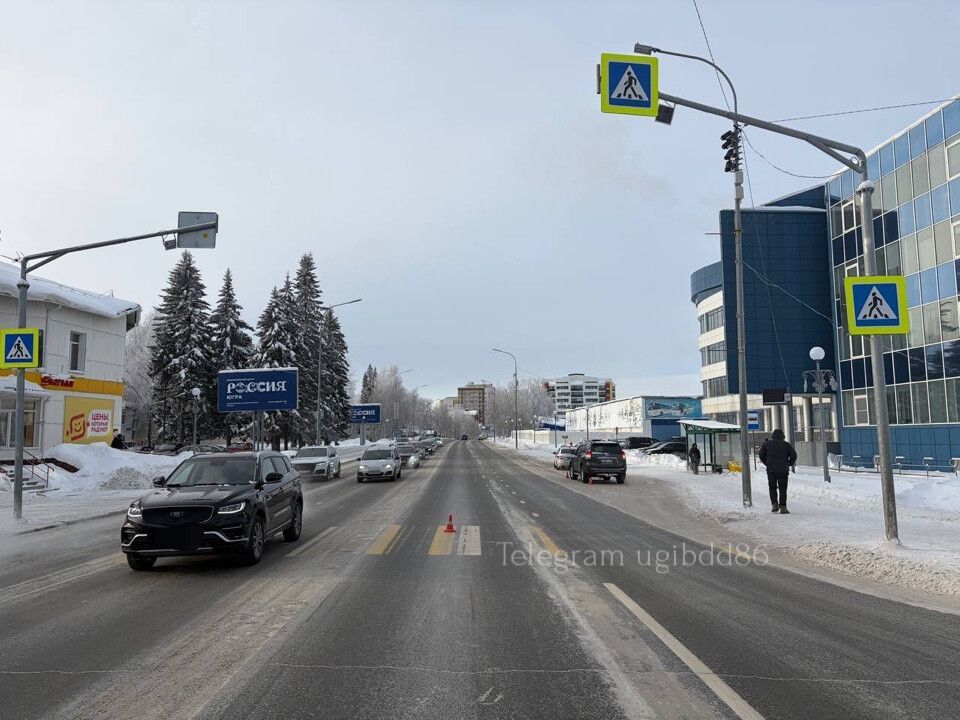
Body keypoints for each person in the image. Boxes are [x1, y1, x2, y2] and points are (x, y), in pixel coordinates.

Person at [758, 428, 797, 514]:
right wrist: (789, 463)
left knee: (772, 487)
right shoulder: (787, 445)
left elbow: (761, 455)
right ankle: (783, 506)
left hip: (771, 470)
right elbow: (794, 455)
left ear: (773, 436)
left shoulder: (766, 444)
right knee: (783, 488)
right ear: (783, 436)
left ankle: (774, 504)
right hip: (783, 470)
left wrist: (767, 463)